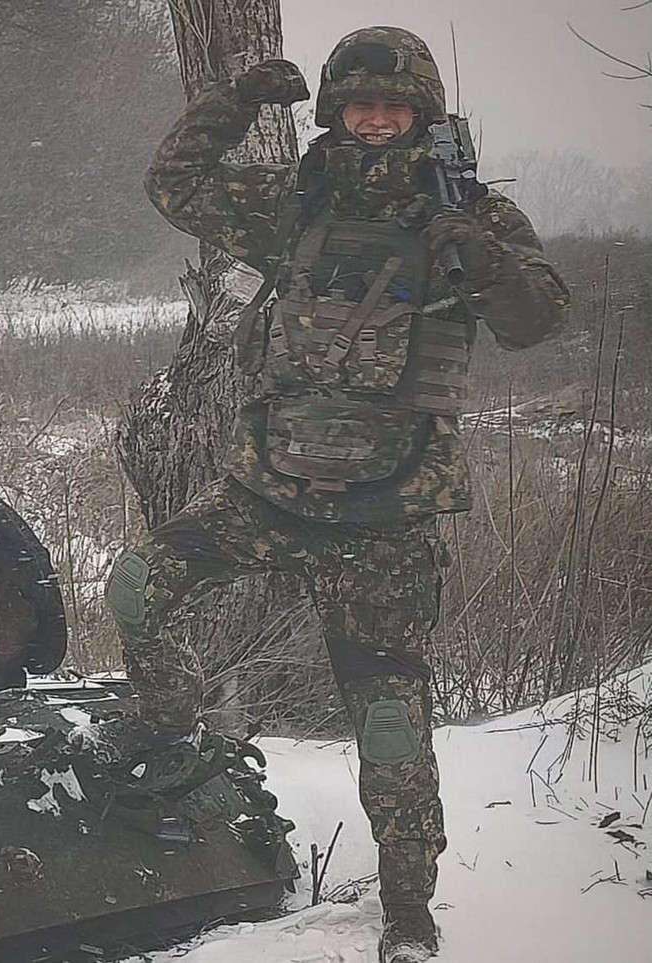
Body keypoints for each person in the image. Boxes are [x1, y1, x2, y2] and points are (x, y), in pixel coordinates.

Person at [105, 25, 569, 963]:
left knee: (389, 718)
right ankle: (161, 717)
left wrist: (470, 250)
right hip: (267, 488)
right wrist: (234, 102)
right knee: (136, 585)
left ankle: (407, 908)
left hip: (387, 517)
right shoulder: (296, 200)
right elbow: (174, 188)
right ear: (333, 110)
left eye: (395, 106)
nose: (376, 120)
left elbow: (539, 319)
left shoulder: (471, 213)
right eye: (359, 104)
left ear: (423, 113)